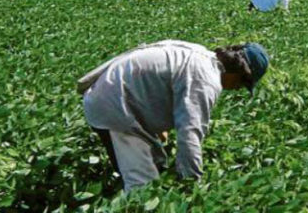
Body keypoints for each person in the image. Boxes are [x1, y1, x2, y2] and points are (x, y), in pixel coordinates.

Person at [77, 40, 270, 192]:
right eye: (241, 85)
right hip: (114, 107)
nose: (237, 89)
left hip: (109, 94)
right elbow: (190, 134)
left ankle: (121, 191)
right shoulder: (207, 80)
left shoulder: (200, 54)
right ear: (239, 73)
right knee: (144, 189)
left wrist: (158, 128)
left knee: (158, 162)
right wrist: (191, 185)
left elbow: (159, 82)